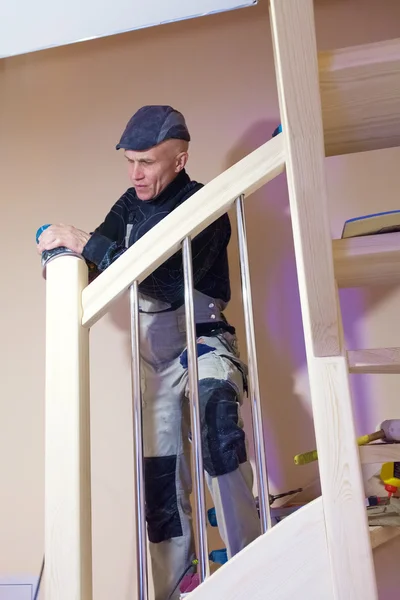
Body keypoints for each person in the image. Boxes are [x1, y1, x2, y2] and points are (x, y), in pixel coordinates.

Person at [37, 105, 260, 600]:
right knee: (160, 480)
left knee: (218, 426)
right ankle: (173, 586)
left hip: (202, 338)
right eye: (130, 162)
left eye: (148, 163)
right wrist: (64, 254)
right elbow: (101, 260)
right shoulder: (130, 203)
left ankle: (255, 563)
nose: (136, 174)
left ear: (179, 161)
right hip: (154, 358)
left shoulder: (206, 205)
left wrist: (89, 243)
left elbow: (162, 280)